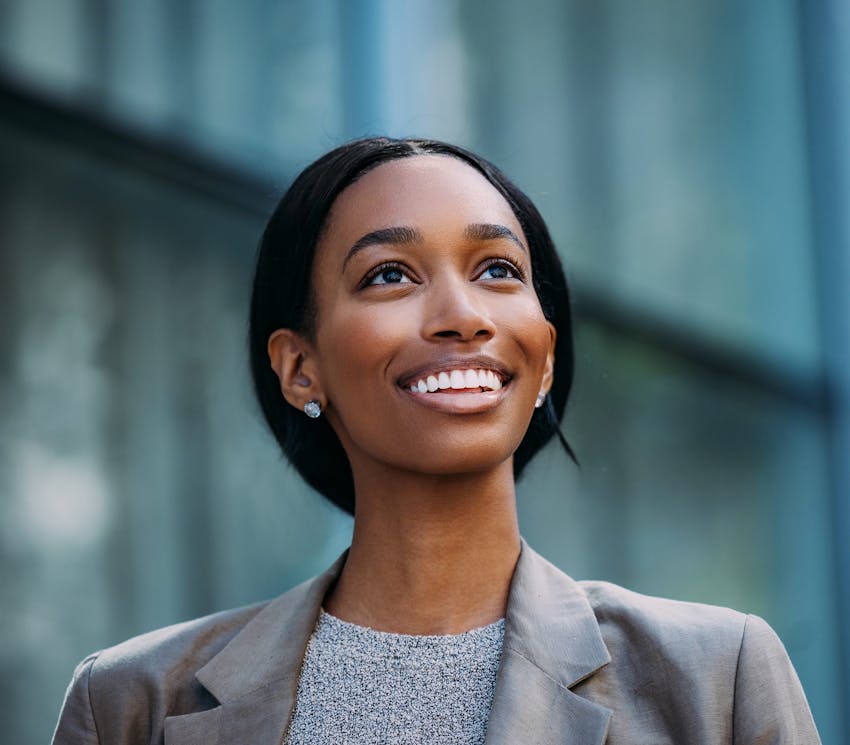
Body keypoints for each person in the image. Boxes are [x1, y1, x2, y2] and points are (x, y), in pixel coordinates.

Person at [52, 137, 821, 744]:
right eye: (389, 274)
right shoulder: (132, 704)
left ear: (545, 355)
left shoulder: (714, 679)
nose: (462, 314)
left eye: (496, 269)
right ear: (299, 367)